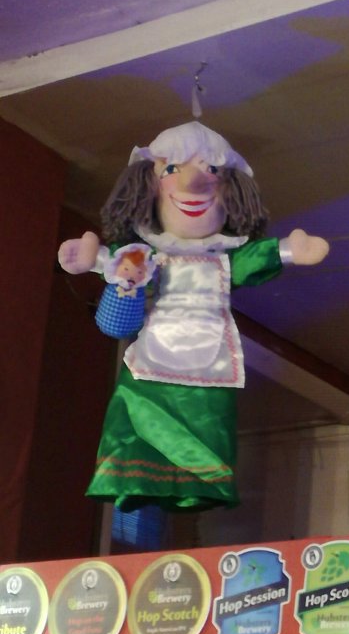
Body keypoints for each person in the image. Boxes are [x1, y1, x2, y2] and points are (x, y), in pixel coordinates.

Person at [59, 121, 328, 513]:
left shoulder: (224, 260)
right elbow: (118, 266)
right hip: (151, 363)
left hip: (208, 367)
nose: (193, 184)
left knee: (206, 424)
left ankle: (199, 485)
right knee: (137, 420)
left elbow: (250, 260)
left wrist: (286, 250)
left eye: (211, 171)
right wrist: (94, 258)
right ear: (147, 188)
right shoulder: (146, 256)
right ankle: (135, 479)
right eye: (171, 169)